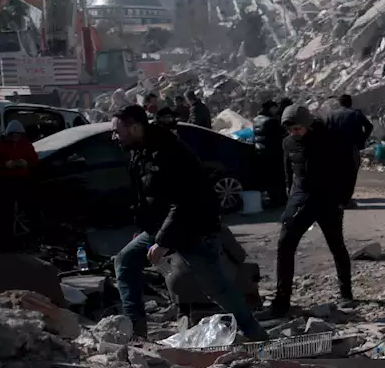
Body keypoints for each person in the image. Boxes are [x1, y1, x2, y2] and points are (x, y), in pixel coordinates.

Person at [110, 106, 267, 340]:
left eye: (117, 131)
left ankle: (256, 336)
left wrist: (162, 242)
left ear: (134, 127)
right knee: (125, 261)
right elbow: (150, 197)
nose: (114, 137)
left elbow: (184, 202)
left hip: (194, 228)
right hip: (164, 227)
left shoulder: (169, 151)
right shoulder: (140, 150)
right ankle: (137, 334)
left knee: (217, 289)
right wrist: (148, 229)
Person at [265, 105, 354, 316]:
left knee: (336, 245)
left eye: (297, 128)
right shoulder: (288, 143)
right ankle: (282, 300)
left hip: (328, 201)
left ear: (307, 124)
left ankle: (346, 293)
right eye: (291, 129)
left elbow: (348, 169)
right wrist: (290, 199)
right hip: (300, 200)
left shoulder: (331, 139)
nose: (294, 133)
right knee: (284, 244)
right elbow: (289, 174)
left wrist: (343, 199)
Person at [326, 94, 374, 209]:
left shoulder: (332, 115)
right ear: (350, 102)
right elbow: (369, 127)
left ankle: (337, 200)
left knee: (337, 175)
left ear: (339, 103)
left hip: (335, 151)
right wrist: (361, 140)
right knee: (350, 175)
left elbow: (326, 131)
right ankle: (346, 201)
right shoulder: (356, 114)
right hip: (351, 149)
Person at [252, 100, 286, 205]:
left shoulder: (256, 120)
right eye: (275, 108)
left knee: (268, 178)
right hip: (273, 153)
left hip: (260, 152)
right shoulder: (272, 121)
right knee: (277, 177)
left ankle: (272, 198)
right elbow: (279, 137)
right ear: (271, 108)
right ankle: (279, 200)